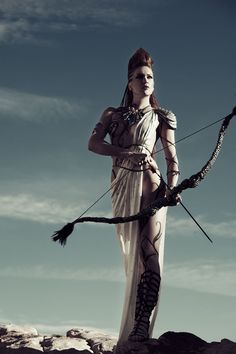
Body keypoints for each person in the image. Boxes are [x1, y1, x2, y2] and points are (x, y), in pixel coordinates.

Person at [88, 48, 180, 344]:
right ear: (129, 83)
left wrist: (174, 188)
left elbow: (172, 160)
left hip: (152, 188)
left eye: (150, 76)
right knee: (137, 260)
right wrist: (126, 152)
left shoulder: (162, 116)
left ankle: (141, 326)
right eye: (140, 77)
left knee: (149, 254)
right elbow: (93, 144)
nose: (146, 80)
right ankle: (135, 328)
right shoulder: (112, 114)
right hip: (122, 188)